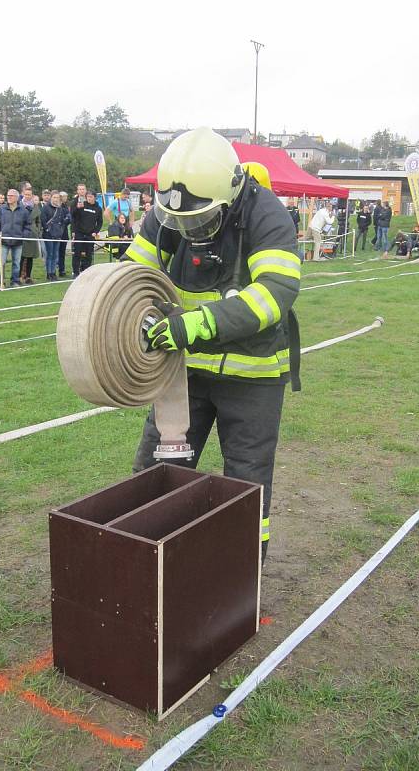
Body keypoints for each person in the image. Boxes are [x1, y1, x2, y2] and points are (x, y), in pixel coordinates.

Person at [126, 127, 301, 562]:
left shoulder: (267, 214)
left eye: (199, 220)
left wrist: (196, 324)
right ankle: (148, 564)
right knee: (156, 470)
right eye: (178, 221)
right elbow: (133, 276)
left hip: (253, 377)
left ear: (232, 192)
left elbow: (274, 293)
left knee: (246, 482)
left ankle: (241, 580)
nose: (189, 229)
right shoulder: (169, 211)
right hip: (183, 373)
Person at [0, 189, 31, 287]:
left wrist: (23, 235)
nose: (9, 197)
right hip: (3, 241)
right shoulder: (0, 209)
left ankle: (15, 281)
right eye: (8, 195)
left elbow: (28, 225)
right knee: (1, 263)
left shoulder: (24, 211)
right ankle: (1, 282)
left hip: (18, 242)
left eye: (11, 195)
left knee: (16, 264)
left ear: (17, 197)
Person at [70, 190, 102, 277]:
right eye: (88, 197)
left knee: (89, 254)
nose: (89, 198)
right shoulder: (82, 205)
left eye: (91, 197)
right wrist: (77, 208)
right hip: (79, 233)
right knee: (77, 253)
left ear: (95, 198)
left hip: (90, 234)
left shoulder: (98, 209)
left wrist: (95, 232)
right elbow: (73, 216)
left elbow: (100, 222)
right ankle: (76, 272)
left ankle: (85, 271)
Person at [41, 191, 70, 281]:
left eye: (57, 198)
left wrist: (60, 231)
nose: (56, 199)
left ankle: (53, 272)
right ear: (51, 198)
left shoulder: (60, 209)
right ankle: (49, 273)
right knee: (49, 254)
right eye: (54, 197)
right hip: (48, 235)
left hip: (57, 234)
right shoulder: (45, 208)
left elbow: (62, 221)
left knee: (55, 255)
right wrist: (48, 230)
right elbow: (43, 220)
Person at [20, 189, 41, 283]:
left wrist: (37, 230)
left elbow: (38, 221)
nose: (27, 196)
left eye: (29, 195)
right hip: (22, 233)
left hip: (32, 234)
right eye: (26, 194)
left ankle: (28, 276)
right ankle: (20, 276)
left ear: (32, 196)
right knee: (21, 256)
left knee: (30, 257)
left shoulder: (35, 206)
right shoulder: (19, 205)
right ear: (23, 194)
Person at [58, 192, 70, 277]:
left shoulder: (66, 206)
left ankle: (62, 270)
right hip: (57, 232)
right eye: (64, 196)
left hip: (64, 232)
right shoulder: (58, 206)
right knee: (56, 252)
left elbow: (69, 218)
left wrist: (66, 219)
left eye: (66, 196)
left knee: (62, 252)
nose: (65, 198)